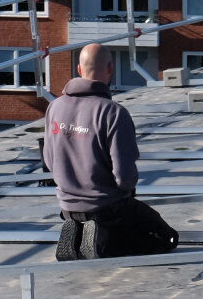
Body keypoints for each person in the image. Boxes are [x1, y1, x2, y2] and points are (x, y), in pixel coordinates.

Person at [43, 43, 178, 260]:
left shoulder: (54, 107)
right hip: (107, 207)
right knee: (166, 238)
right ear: (110, 69)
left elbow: (49, 162)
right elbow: (124, 178)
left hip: (67, 207)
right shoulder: (114, 113)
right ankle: (103, 241)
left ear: (78, 69)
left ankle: (79, 233)